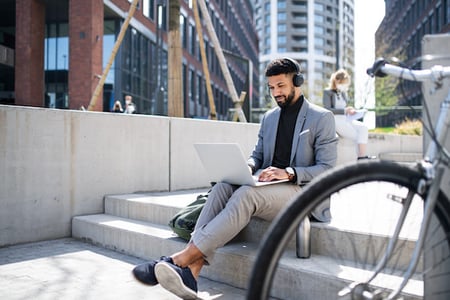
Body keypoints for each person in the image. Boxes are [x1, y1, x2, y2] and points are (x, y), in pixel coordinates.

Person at [131, 57, 338, 299]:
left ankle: (179, 259)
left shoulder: (321, 118)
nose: (276, 93)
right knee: (223, 186)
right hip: (270, 187)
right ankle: (192, 273)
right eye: (271, 88)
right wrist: (248, 167)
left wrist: (289, 172)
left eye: (281, 86)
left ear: (297, 81)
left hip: (302, 191)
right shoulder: (269, 118)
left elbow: (328, 169)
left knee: (245, 195)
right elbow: (258, 155)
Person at [322, 69, 370, 159]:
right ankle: (361, 157)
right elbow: (327, 109)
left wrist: (351, 111)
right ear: (336, 81)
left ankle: (362, 156)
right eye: (343, 83)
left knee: (363, 128)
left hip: (346, 119)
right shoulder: (327, 92)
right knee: (357, 136)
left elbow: (345, 108)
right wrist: (345, 110)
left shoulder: (343, 93)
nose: (344, 85)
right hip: (335, 120)